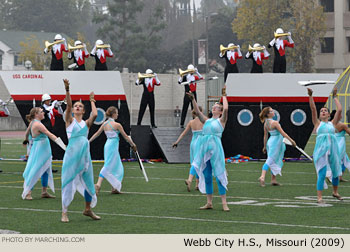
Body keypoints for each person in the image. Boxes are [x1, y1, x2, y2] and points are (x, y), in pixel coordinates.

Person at [60, 79, 99, 223]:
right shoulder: (69, 121)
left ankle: (88, 209)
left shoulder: (86, 123)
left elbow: (94, 115)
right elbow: (69, 105)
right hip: (71, 158)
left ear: (83, 110)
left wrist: (92, 100)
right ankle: (64, 213)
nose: (77, 107)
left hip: (85, 158)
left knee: (89, 183)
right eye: (76, 106)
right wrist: (67, 88)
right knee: (68, 184)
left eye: (80, 106)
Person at [188, 88, 229, 211]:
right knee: (206, 176)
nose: (214, 108)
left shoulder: (221, 121)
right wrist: (193, 100)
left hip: (216, 150)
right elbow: (198, 112)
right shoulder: (207, 120)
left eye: (216, 107)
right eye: (214, 106)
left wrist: (224, 96)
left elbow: (226, 109)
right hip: (205, 149)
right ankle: (209, 202)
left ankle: (224, 203)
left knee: (219, 174)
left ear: (220, 112)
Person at [89, 106, 137, 195]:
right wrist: (133, 144)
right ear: (114, 114)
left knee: (117, 167)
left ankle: (115, 187)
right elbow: (126, 137)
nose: (118, 114)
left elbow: (96, 134)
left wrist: (88, 141)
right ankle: (98, 184)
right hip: (112, 146)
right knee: (108, 165)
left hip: (108, 145)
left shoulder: (105, 124)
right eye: (117, 113)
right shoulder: (117, 125)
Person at [22, 107, 65, 200]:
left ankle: (44, 191)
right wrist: (63, 146)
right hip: (41, 149)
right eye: (41, 112)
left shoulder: (33, 122)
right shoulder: (38, 124)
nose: (43, 113)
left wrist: (26, 140)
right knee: (35, 169)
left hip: (41, 148)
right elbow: (50, 135)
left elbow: (26, 133)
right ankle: (28, 192)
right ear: (36, 114)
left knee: (46, 169)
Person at [308, 87, 342, 204]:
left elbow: (340, 109)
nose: (323, 112)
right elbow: (313, 109)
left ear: (328, 114)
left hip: (333, 148)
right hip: (321, 150)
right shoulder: (317, 123)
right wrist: (310, 96)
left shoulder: (333, 123)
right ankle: (319, 197)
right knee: (322, 173)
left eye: (325, 111)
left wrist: (335, 96)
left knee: (336, 171)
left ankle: (335, 192)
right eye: (321, 111)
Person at [258, 106, 296, 187]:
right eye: (271, 111)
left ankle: (273, 180)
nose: (273, 112)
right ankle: (262, 176)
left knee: (274, 160)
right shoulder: (274, 123)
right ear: (268, 114)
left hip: (271, 141)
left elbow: (265, 136)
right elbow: (283, 133)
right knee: (270, 160)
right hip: (276, 142)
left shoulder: (266, 123)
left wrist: (265, 146)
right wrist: (292, 141)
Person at [172, 106, 204, 192]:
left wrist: (176, 142)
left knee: (195, 162)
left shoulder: (191, 122)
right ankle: (190, 180)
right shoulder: (204, 121)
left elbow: (183, 133)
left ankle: (197, 184)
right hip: (201, 142)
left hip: (193, 143)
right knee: (198, 163)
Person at [40, 94, 64, 172]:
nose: (49, 101)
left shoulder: (51, 108)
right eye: (48, 100)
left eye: (50, 100)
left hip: (51, 130)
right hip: (44, 131)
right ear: (44, 101)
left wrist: (59, 106)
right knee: (44, 150)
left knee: (50, 150)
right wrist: (53, 104)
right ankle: (43, 167)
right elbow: (46, 111)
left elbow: (61, 114)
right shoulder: (41, 108)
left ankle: (48, 167)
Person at [328, 110, 350, 182]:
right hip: (340, 144)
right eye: (340, 114)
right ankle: (331, 175)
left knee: (343, 160)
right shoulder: (342, 125)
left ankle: (339, 177)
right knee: (340, 160)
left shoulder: (329, 124)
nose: (341, 116)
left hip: (332, 143)